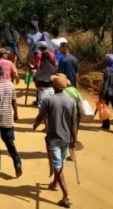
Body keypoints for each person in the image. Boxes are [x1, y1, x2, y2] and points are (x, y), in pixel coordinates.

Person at [34, 73, 77, 208]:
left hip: (53, 138)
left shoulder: (48, 100)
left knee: (57, 164)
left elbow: (41, 116)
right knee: (60, 163)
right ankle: (55, 183)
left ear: (53, 86)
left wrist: (35, 125)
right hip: (66, 138)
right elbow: (74, 123)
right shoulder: (71, 101)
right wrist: (74, 140)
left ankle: (66, 195)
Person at [0, 64, 23, 177]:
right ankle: (17, 162)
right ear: (2, 73)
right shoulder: (10, 85)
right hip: (8, 117)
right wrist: (16, 113)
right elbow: (14, 100)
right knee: (9, 142)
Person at [33, 41, 58, 107]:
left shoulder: (39, 55)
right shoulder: (52, 54)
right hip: (51, 73)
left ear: (39, 47)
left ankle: (38, 101)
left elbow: (38, 66)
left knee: (39, 87)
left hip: (43, 73)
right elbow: (55, 64)